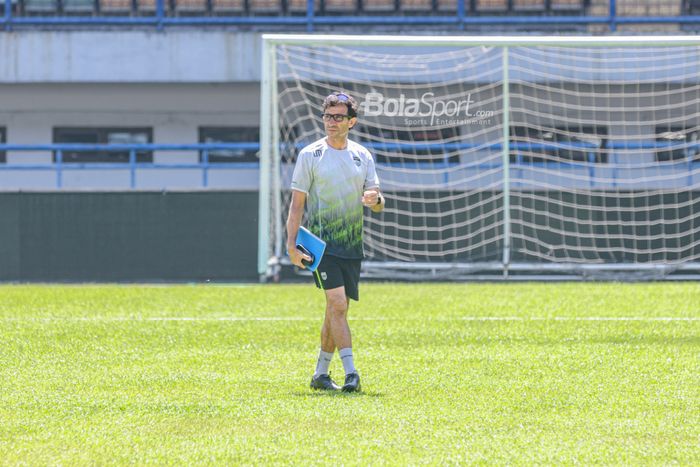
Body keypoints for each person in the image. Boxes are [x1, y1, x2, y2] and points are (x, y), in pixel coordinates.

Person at [287, 91, 385, 393]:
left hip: (352, 244)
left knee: (336, 310)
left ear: (351, 121)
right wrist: (291, 246)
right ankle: (352, 373)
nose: (331, 122)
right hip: (321, 246)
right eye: (328, 116)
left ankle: (320, 374)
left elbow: (378, 200)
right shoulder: (310, 155)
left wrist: (376, 199)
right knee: (338, 304)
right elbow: (296, 205)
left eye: (338, 117)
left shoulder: (362, 156)